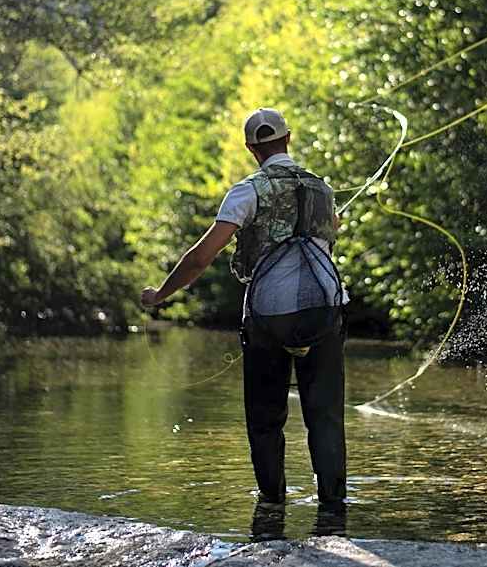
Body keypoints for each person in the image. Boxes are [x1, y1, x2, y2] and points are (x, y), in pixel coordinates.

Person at [140, 107, 348, 513]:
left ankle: (272, 503)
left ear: (251, 148)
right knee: (324, 417)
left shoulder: (247, 191)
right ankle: (333, 507)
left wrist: (161, 294)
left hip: (269, 315)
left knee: (266, 418)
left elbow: (201, 258)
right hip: (325, 310)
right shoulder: (323, 190)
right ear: (288, 139)